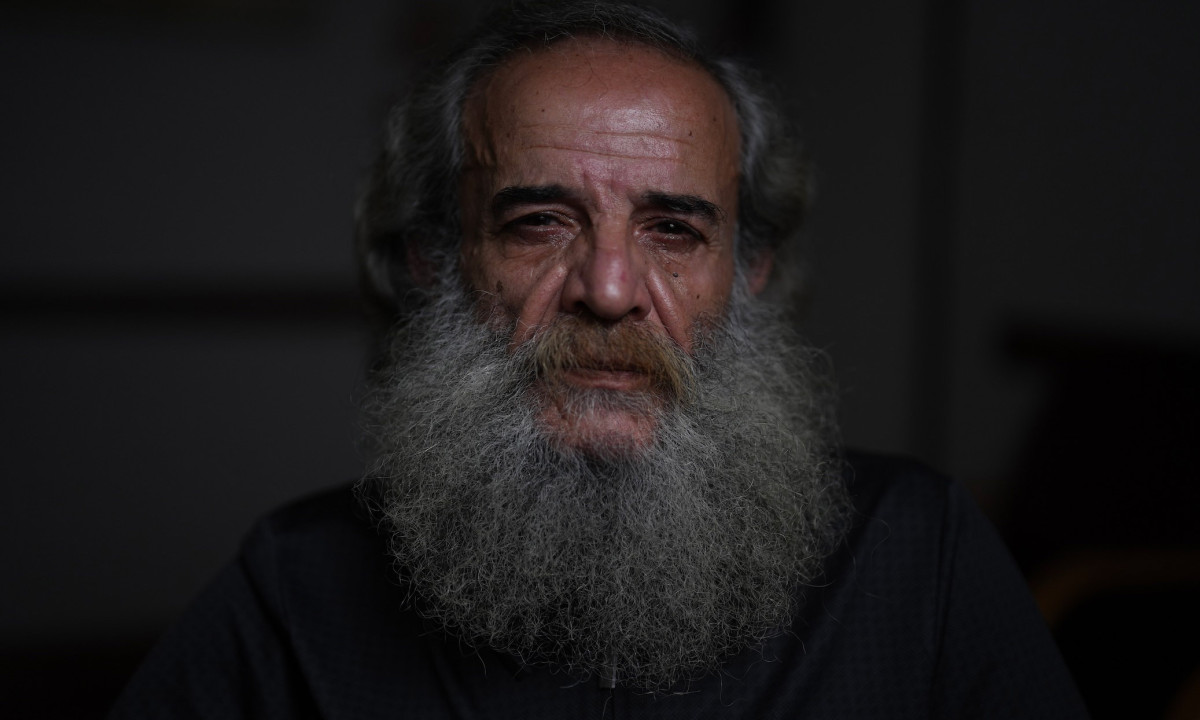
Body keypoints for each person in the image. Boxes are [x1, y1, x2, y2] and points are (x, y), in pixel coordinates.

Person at [111, 2, 1088, 717]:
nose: (611, 290)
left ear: (748, 273)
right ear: (435, 259)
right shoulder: (298, 587)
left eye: (674, 230)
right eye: (539, 222)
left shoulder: (917, 557)